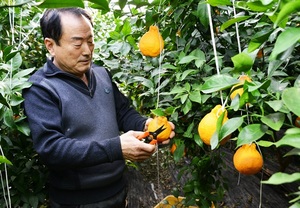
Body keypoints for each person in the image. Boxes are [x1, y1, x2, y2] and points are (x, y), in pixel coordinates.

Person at [23, 7, 175, 208]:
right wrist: (116, 148)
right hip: (77, 202)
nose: (87, 51)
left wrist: (147, 126)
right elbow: (52, 149)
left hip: (118, 190)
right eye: (77, 43)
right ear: (51, 45)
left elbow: (123, 112)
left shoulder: (101, 74)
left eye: (90, 41)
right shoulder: (41, 88)